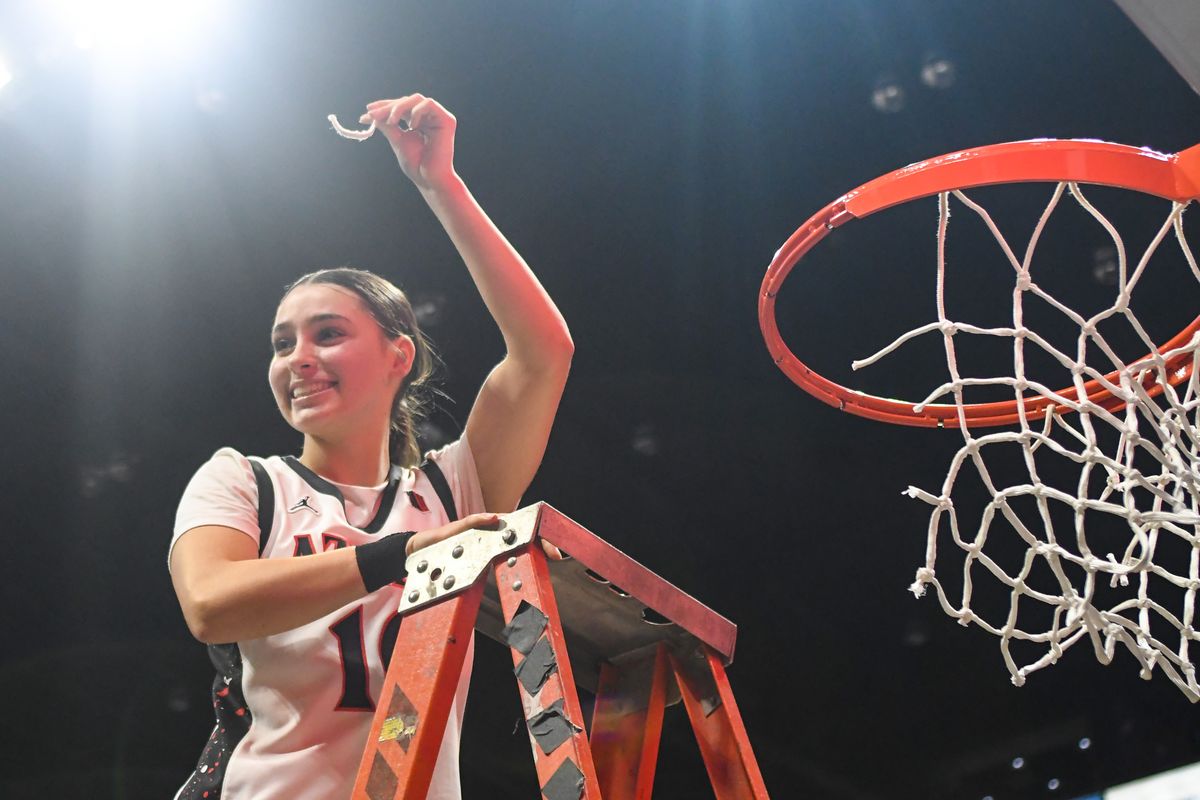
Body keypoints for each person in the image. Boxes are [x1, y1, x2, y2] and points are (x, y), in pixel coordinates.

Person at [167, 93, 574, 800]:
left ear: (398, 357)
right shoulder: (244, 481)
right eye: (281, 343)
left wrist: (440, 185)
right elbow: (210, 602)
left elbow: (544, 352)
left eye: (327, 334)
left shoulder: (451, 493)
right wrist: (400, 555)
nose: (297, 357)